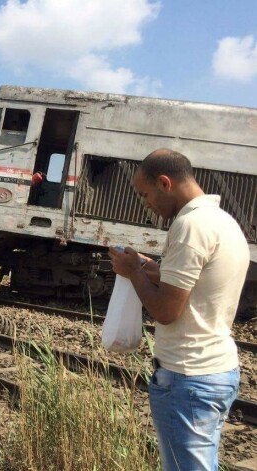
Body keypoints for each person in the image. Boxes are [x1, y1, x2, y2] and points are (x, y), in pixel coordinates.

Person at [109, 149, 249, 471]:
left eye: (145, 195)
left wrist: (134, 272)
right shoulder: (222, 221)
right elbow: (198, 285)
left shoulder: (189, 226)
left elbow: (167, 311)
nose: (146, 205)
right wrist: (152, 268)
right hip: (217, 368)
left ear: (164, 182)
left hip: (189, 377)